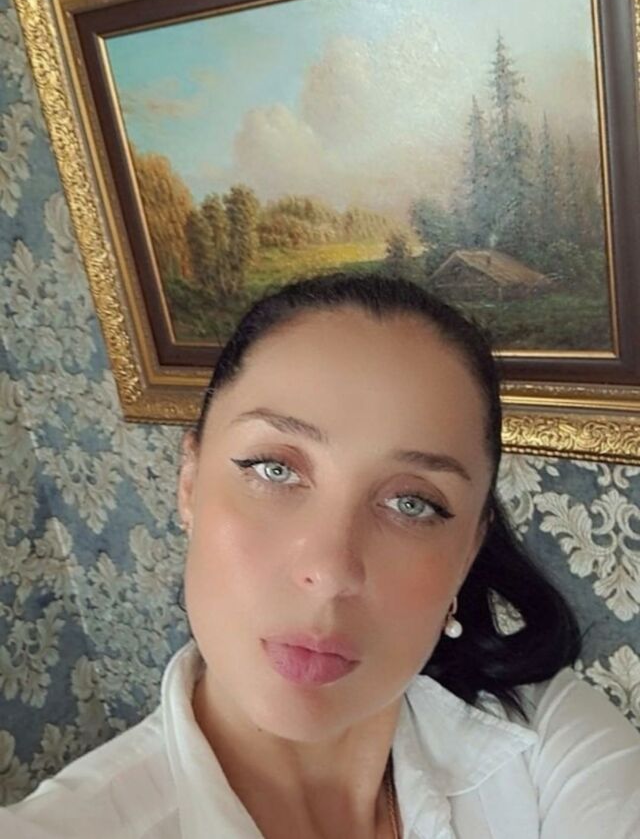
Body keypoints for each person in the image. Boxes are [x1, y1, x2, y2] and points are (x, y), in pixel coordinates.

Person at [2, 271, 639, 838]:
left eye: (412, 503)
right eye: (274, 469)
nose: (331, 570)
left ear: (469, 550)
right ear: (190, 484)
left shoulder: (546, 740)